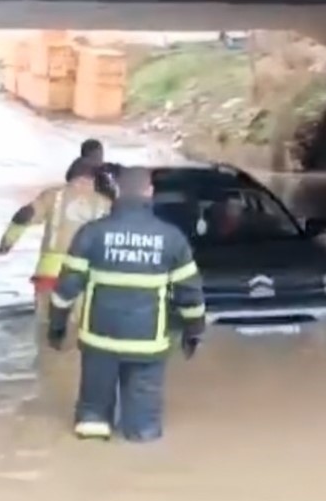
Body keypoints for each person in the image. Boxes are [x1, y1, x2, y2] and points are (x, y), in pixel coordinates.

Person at [46, 167, 207, 442]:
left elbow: (66, 289)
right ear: (150, 192)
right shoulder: (171, 238)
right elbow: (190, 296)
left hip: (99, 344)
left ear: (117, 191)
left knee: (91, 423)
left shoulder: (91, 234)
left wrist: (57, 326)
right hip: (147, 346)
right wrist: (194, 331)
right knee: (143, 431)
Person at [0, 158, 111, 390]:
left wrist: (6, 243)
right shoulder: (106, 203)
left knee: (45, 328)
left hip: (49, 273)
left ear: (70, 174)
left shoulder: (54, 196)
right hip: (86, 277)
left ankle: (47, 380)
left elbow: (24, 214)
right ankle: (75, 382)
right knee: (81, 331)